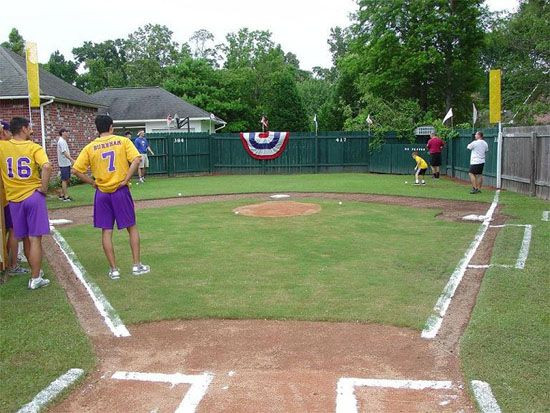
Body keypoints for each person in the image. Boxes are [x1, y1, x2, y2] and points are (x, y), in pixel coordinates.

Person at [72, 115, 150, 279]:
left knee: (106, 231)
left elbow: (76, 170)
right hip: (120, 190)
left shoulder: (90, 147)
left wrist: (92, 182)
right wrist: (126, 179)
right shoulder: (123, 141)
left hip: (102, 192)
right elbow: (136, 160)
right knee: (132, 227)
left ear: (97, 128)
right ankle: (136, 265)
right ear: (111, 127)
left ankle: (114, 270)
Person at [0, 117, 52, 289]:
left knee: (26, 238)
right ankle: (35, 278)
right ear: (23, 129)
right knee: (35, 238)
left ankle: (34, 272)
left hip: (14, 199)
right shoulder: (34, 147)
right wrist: (44, 189)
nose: (31, 130)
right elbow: (46, 166)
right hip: (33, 195)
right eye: (29, 127)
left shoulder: (3, 146)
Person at [0, 120, 29, 276]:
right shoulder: (6, 146)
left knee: (6, 231)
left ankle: (6, 262)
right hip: (8, 197)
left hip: (7, 196)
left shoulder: (5, 147)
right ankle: (11, 265)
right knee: (13, 231)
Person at [57, 128, 76, 201]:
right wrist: (72, 160)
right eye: (66, 132)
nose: (68, 133)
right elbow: (64, 152)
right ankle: (66, 197)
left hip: (66, 163)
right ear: (62, 133)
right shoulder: (61, 141)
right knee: (64, 180)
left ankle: (62, 194)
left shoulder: (63, 141)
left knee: (66, 179)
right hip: (64, 164)